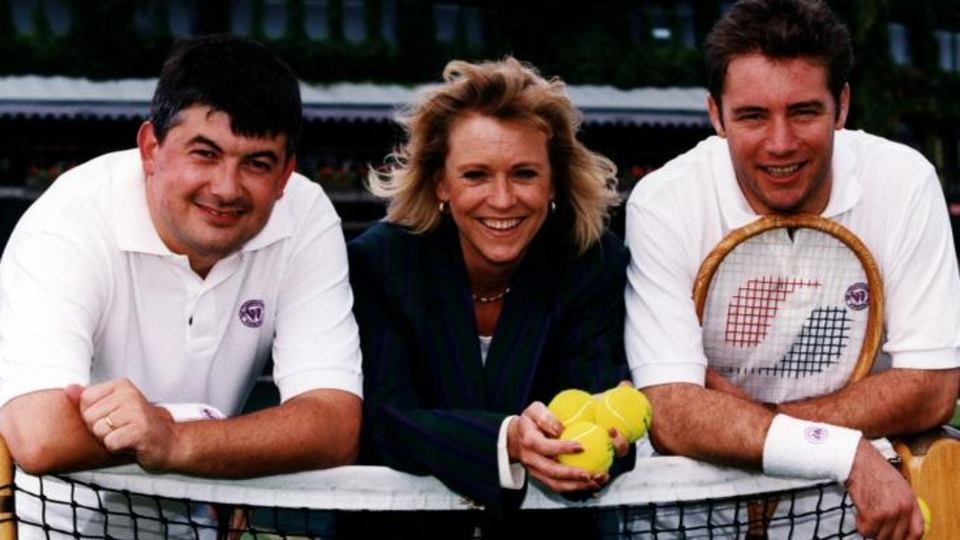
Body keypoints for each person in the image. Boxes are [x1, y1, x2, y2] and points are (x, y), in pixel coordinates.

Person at [0, 34, 363, 537]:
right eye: (205, 153)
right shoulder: (66, 223)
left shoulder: (306, 215)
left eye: (256, 163)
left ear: (285, 175)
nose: (226, 188)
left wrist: (174, 437)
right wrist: (207, 429)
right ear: (151, 148)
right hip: (48, 526)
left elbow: (334, 425)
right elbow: (39, 433)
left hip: (196, 520)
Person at [624, 0, 960, 538]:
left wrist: (751, 421)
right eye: (752, 115)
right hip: (694, 514)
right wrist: (839, 447)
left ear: (842, 105)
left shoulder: (905, 180)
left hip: (855, 514)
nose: (781, 143)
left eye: (804, 111)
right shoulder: (662, 201)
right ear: (715, 115)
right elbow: (671, 414)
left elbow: (932, 386)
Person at [345, 57, 634, 537]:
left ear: (554, 182)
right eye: (476, 175)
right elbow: (384, 418)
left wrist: (605, 443)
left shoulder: (593, 263)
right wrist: (507, 441)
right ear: (441, 182)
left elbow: (597, 405)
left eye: (524, 174)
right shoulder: (381, 263)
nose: (502, 200)